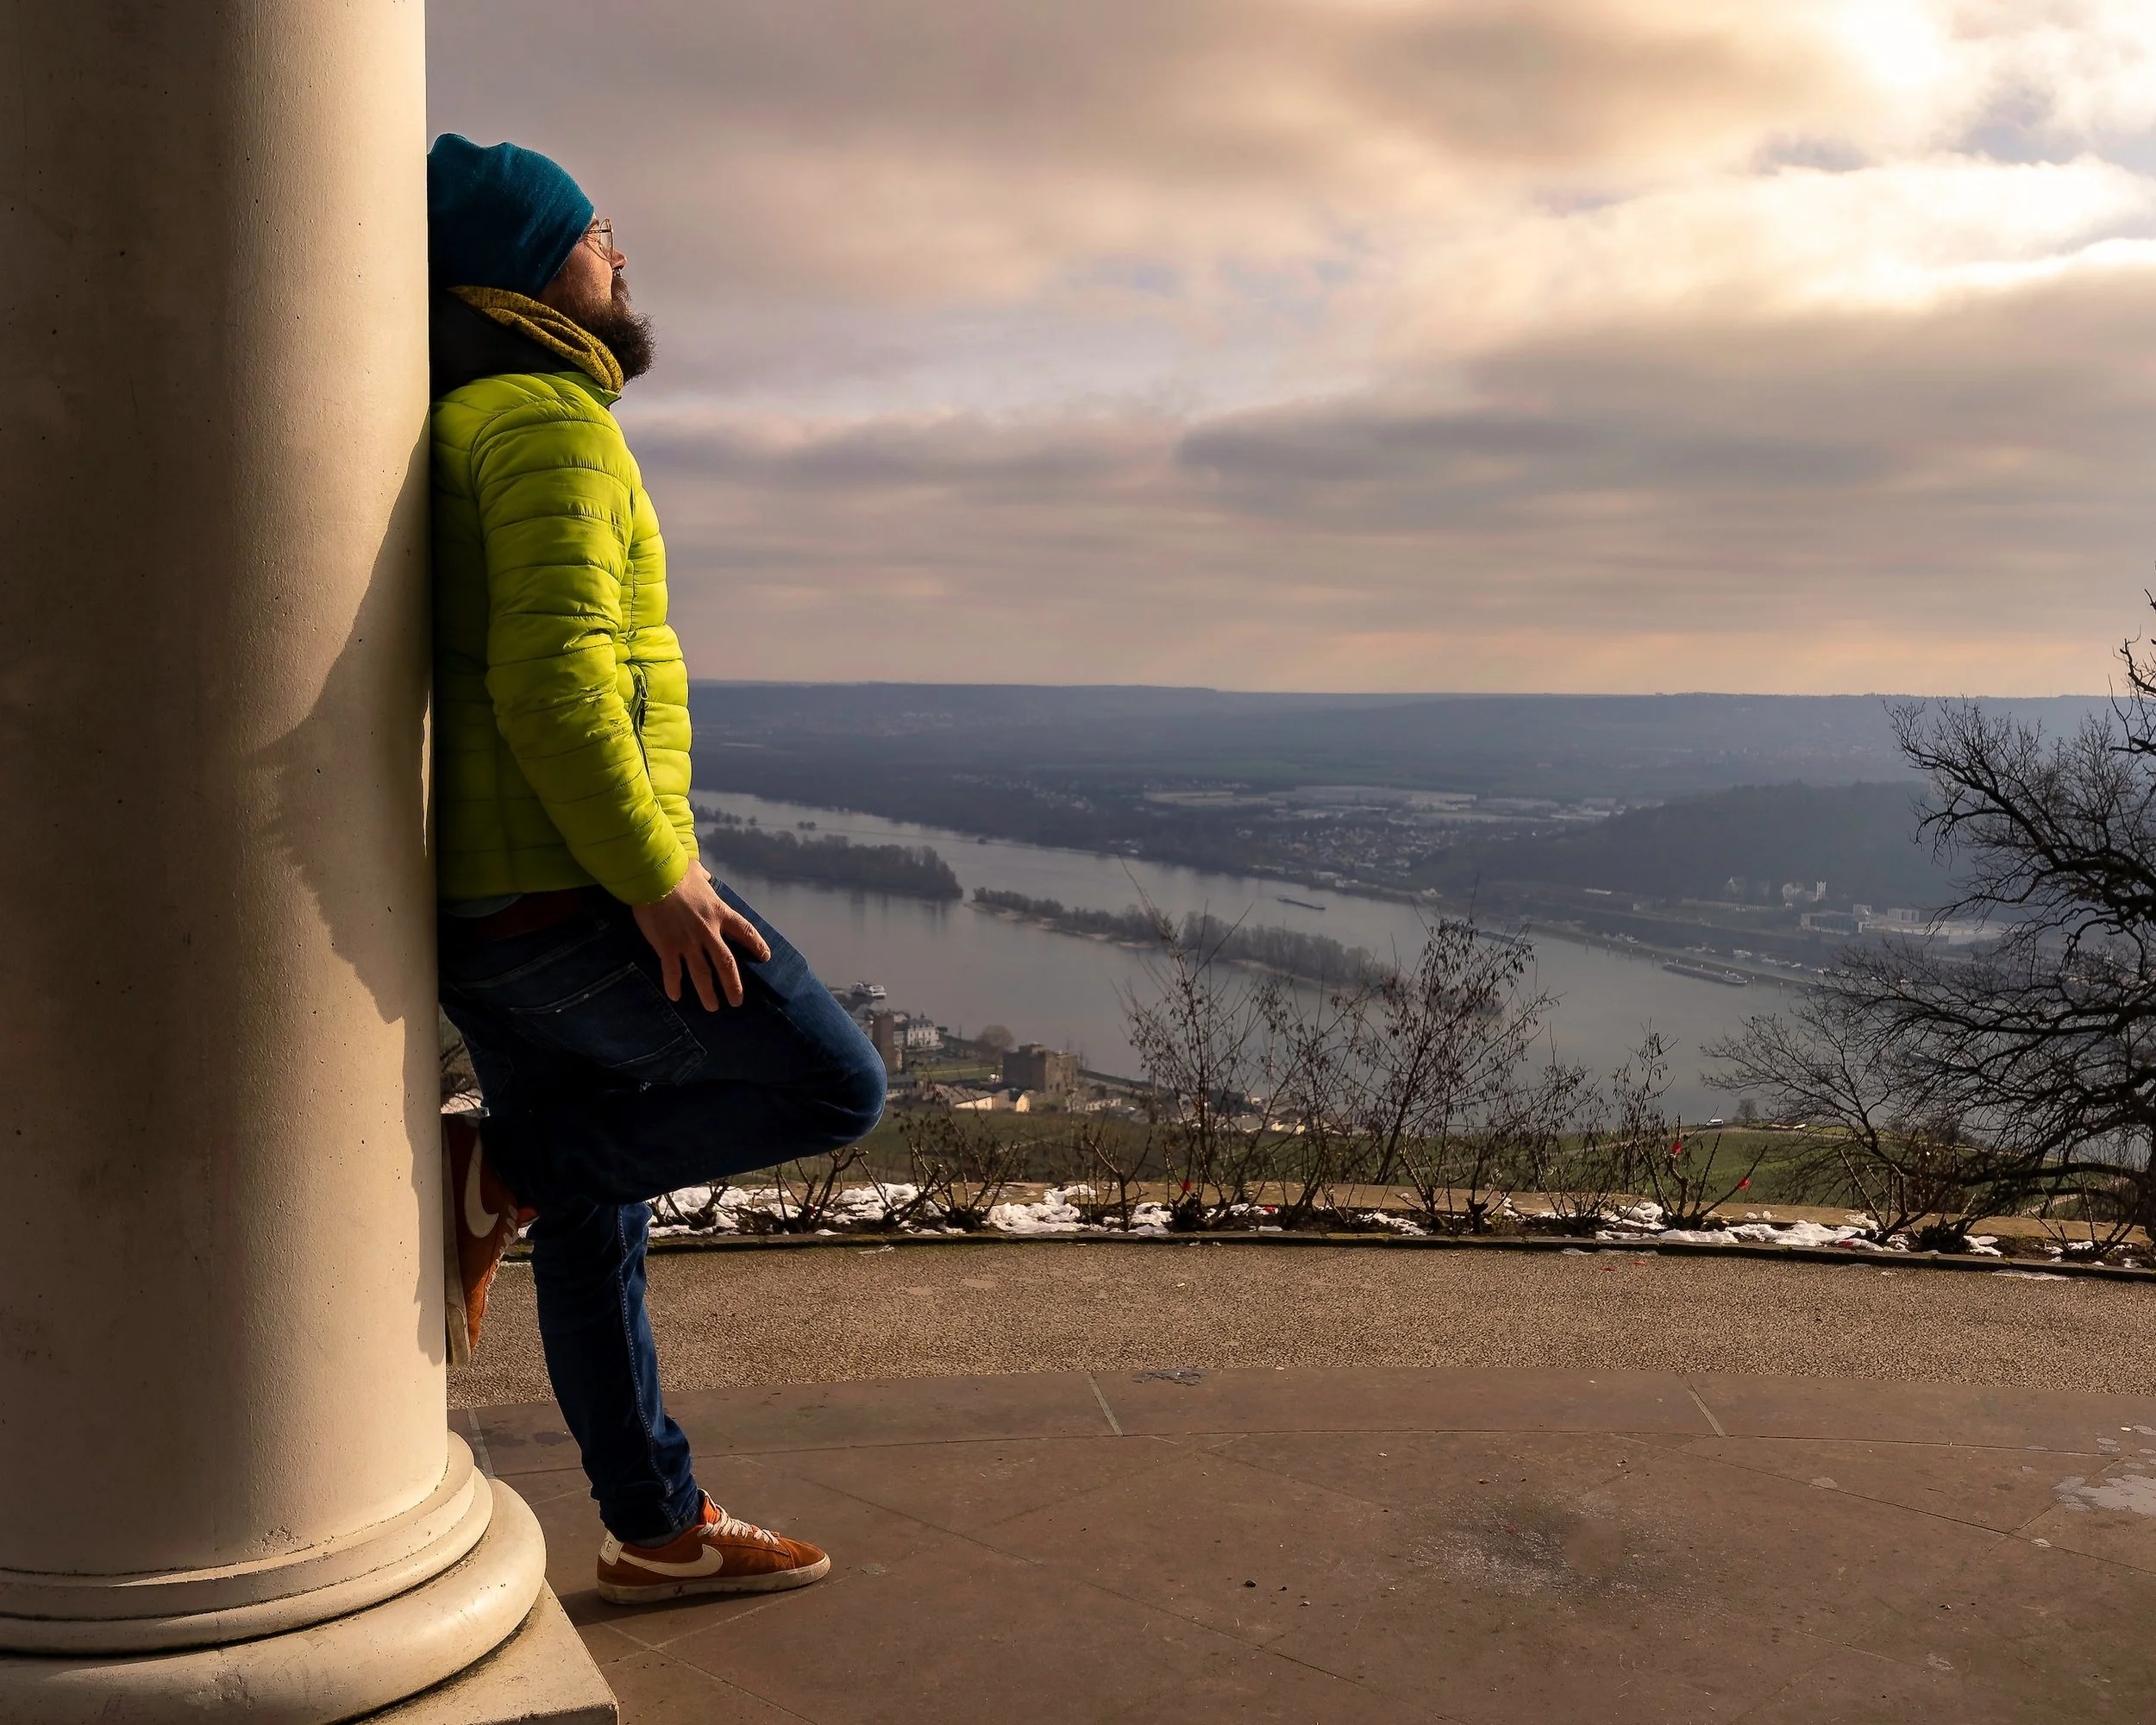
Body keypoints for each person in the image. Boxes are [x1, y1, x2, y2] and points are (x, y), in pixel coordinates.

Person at [425, 135, 887, 1604]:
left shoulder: (470, 415)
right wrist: (655, 876)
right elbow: (558, 680)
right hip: (573, 896)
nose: (619, 251)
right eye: (593, 229)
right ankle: (498, 1168)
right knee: (832, 1084)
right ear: (523, 265)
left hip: (488, 911)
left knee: (595, 1221)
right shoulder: (547, 422)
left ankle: (655, 1527)